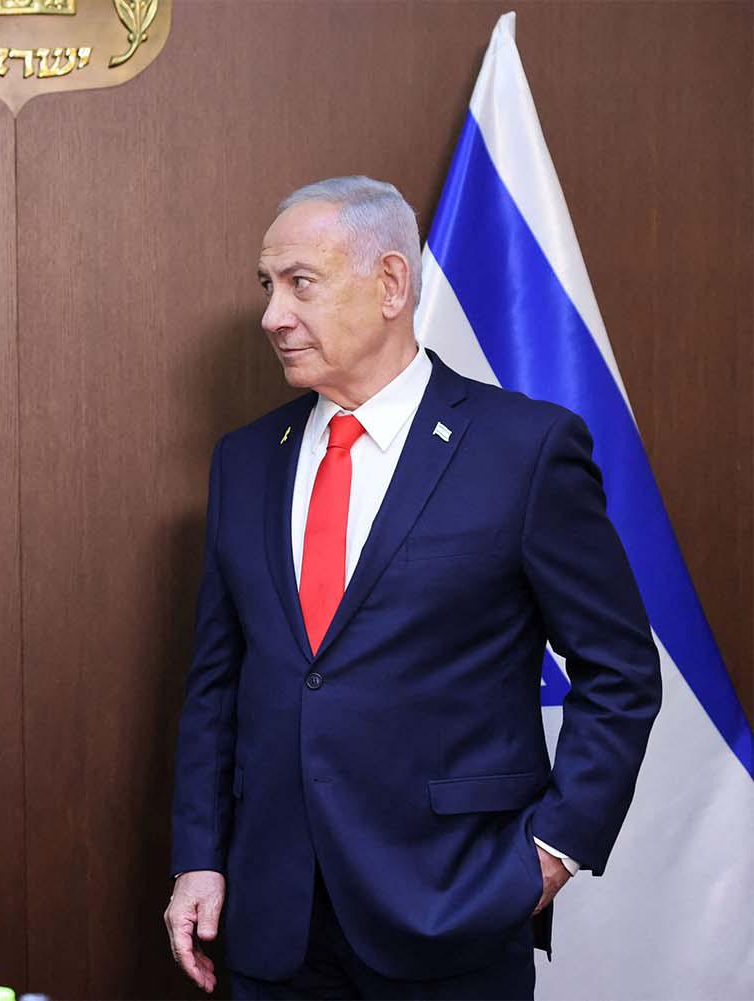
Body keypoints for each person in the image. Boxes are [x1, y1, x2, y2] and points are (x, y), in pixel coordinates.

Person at [163, 176, 660, 1000]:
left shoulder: (523, 450)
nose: (271, 315)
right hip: (270, 921)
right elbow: (217, 685)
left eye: (300, 283)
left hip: (452, 913)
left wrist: (552, 855)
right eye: (268, 285)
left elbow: (620, 670)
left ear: (391, 283)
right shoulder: (243, 461)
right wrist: (199, 855)